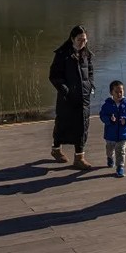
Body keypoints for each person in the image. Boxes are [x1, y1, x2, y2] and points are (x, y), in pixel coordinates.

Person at [49, 25, 95, 170]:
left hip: (84, 98)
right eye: (80, 40)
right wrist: (65, 91)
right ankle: (56, 149)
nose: (83, 43)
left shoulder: (86, 54)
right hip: (67, 98)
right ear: (72, 39)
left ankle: (79, 158)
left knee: (83, 126)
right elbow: (54, 76)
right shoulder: (62, 54)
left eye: (85, 40)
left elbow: (91, 71)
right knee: (63, 124)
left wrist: (90, 86)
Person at [98, 80, 126, 178]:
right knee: (109, 149)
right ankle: (110, 157)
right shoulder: (107, 105)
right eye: (117, 92)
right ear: (111, 92)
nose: (119, 94)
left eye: (121, 91)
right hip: (110, 134)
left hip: (123, 134)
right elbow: (102, 115)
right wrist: (110, 120)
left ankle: (120, 167)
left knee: (121, 151)